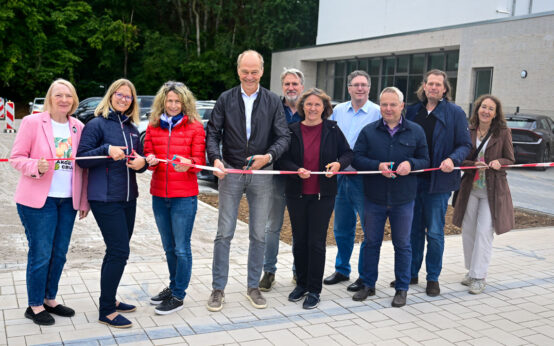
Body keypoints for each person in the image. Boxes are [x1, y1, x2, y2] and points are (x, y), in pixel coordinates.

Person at [205, 50, 290, 311]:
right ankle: (218, 289)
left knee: (258, 234)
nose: (250, 76)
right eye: (245, 71)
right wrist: (215, 160)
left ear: (262, 72)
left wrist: (268, 156)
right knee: (224, 233)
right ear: (238, 71)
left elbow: (283, 136)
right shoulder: (225, 98)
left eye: (254, 71)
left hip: (262, 174)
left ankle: (253, 286)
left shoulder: (274, 100)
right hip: (230, 171)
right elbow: (212, 133)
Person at [10, 79, 89, 325]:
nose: (64, 99)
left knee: (60, 253)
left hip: (67, 201)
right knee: (41, 253)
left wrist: (83, 200)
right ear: (50, 98)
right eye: (59, 95)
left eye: (68, 95)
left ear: (74, 99)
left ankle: (49, 298)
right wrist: (36, 166)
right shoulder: (32, 122)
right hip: (38, 201)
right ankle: (34, 305)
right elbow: (16, 158)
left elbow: (82, 168)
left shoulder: (78, 126)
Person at [77, 78, 147, 328]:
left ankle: (111, 299)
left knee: (116, 250)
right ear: (111, 95)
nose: (124, 99)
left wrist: (143, 164)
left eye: (128, 97)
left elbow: (138, 162)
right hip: (105, 198)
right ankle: (106, 309)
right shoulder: (96, 124)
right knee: (119, 251)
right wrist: (106, 149)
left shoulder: (132, 128)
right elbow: (81, 159)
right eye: (120, 94)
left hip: (129, 198)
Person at [352, 87, 429, 307]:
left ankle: (402, 288)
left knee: (403, 244)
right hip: (373, 197)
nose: (388, 108)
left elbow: (425, 159)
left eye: (393, 104)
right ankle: (368, 284)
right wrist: (377, 166)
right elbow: (357, 158)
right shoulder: (369, 131)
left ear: (402, 106)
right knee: (371, 242)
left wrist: (411, 164)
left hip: (403, 199)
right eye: (384, 104)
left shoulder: (416, 131)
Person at [279, 88, 353, 309]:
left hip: (324, 194)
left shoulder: (332, 129)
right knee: (299, 241)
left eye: (317, 105)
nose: (312, 108)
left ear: (325, 108)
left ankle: (314, 289)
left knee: (316, 242)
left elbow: (348, 153)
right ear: (302, 107)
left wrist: (339, 164)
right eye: (309, 104)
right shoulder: (291, 130)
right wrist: (295, 169)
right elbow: (281, 160)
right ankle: (301, 284)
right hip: (297, 193)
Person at [400, 69, 471, 296]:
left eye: (438, 85)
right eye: (430, 84)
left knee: (435, 233)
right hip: (412, 182)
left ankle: (433, 278)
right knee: (413, 231)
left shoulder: (455, 113)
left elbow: (464, 144)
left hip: (438, 183)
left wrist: (453, 159)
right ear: (424, 86)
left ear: (444, 89)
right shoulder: (412, 111)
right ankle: (411, 273)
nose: (433, 88)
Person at [143, 81, 206, 314]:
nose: (173, 105)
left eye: (177, 101)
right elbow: (148, 155)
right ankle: (172, 286)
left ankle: (179, 295)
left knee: (181, 248)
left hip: (184, 197)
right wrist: (148, 158)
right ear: (163, 102)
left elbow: (200, 164)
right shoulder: (153, 127)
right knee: (169, 247)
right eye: (169, 100)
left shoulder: (195, 128)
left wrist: (190, 164)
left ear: (185, 103)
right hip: (159, 195)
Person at [324, 70, 381, 292]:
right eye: (355, 85)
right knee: (341, 228)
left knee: (368, 229)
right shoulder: (338, 111)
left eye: (364, 85)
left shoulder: (377, 112)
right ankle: (341, 269)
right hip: (340, 178)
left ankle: (364, 275)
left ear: (369, 88)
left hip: (364, 179)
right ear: (348, 88)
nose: (360, 88)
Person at [452, 94, 515, 294]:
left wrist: (499, 163)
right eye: (483, 107)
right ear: (477, 109)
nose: (486, 111)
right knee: (468, 230)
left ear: (496, 114)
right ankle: (471, 271)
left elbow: (510, 159)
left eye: (491, 109)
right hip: (471, 188)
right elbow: (461, 159)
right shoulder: (468, 130)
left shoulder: (503, 132)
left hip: (492, 190)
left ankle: (480, 277)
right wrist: (473, 164)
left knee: (483, 232)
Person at [259, 67, 304, 291]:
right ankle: (269, 271)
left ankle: (298, 271)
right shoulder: (273, 107)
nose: (291, 88)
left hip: (302, 176)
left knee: (299, 227)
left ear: (302, 87)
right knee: (272, 226)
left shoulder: (309, 109)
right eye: (287, 84)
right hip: (277, 175)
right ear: (282, 87)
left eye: (295, 84)